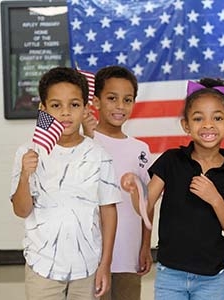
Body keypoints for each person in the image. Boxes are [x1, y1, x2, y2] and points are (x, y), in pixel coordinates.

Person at [123, 78, 224, 300]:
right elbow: (145, 205)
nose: (208, 125)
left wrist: (215, 199)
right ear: (186, 125)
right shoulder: (172, 160)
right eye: (199, 118)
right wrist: (136, 187)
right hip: (171, 274)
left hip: (212, 277)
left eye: (217, 118)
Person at [10, 66, 120, 299]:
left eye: (74, 104)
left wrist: (105, 264)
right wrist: (24, 176)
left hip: (88, 265)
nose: (66, 113)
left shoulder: (98, 154)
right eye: (56, 105)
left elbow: (108, 210)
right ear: (43, 109)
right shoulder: (27, 152)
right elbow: (21, 210)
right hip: (43, 264)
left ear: (85, 108)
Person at [81, 66, 152, 300]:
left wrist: (145, 245)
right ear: (96, 101)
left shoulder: (140, 149)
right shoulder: (85, 142)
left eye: (127, 99)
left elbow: (147, 204)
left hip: (129, 252)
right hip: (91, 254)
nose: (120, 106)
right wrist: (87, 138)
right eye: (112, 98)